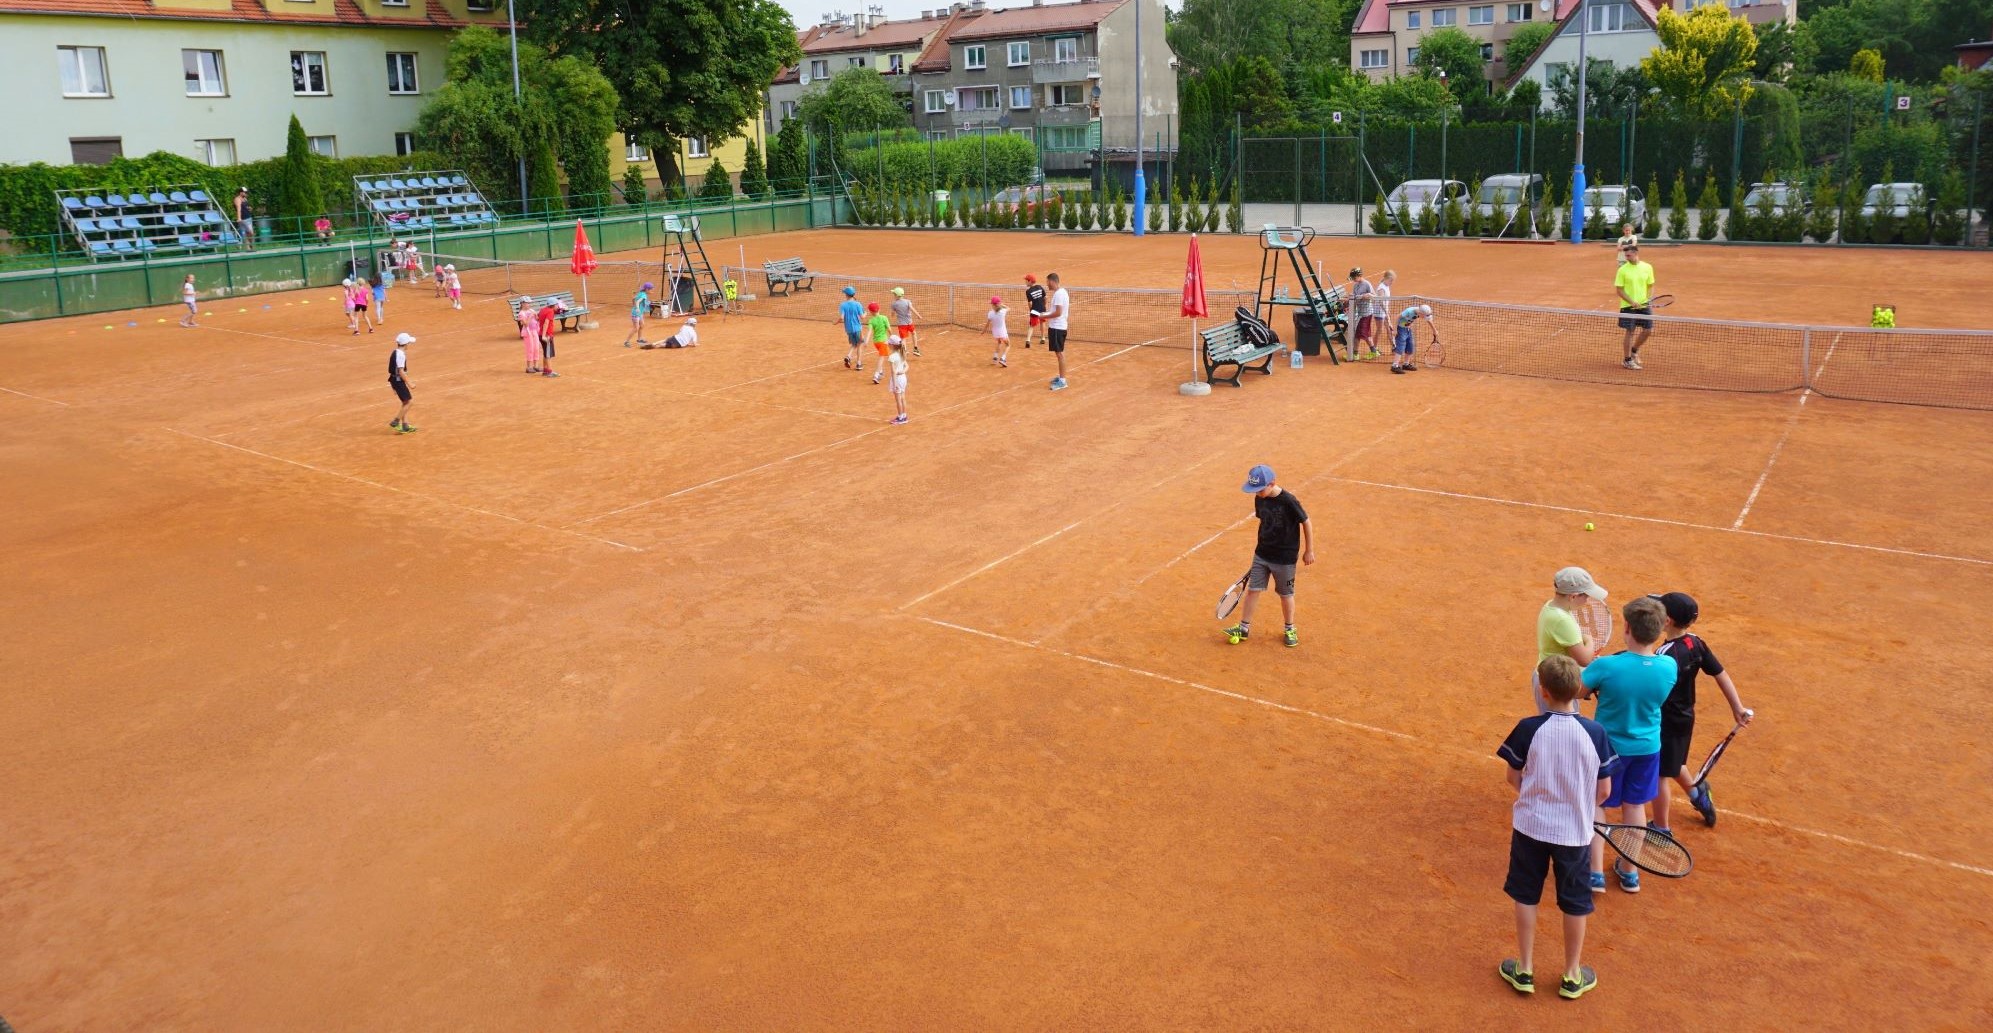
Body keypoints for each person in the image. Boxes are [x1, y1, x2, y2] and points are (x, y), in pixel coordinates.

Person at [1498, 655, 1614, 1001]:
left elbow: (1512, 776)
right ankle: (1572, 974)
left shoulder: (1527, 728)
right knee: (1575, 901)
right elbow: (1604, 792)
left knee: (1525, 892)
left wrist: (1535, 796)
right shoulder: (1595, 733)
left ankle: (1525, 969)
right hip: (1575, 835)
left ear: (1543, 691)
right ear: (1578, 691)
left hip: (1530, 827)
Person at [1581, 596, 1677, 895]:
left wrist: (1595, 675)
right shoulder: (1669, 666)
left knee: (1596, 803)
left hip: (1608, 749)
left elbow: (1579, 689)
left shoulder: (1608, 666)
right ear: (1661, 630)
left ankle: (1594, 873)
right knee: (1634, 806)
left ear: (1626, 628)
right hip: (1647, 748)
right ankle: (1629, 871)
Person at [1648, 592, 1752, 832]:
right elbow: (1720, 674)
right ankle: (1697, 792)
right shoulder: (1696, 643)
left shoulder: (1664, 655)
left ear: (1667, 621)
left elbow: (1652, 687)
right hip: (1685, 718)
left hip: (1664, 720)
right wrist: (1737, 707)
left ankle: (1660, 827)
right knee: (1674, 762)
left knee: (1660, 775)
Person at [1222, 464, 1315, 649]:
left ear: (1272, 483)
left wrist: (1309, 550)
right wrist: (1262, 549)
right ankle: (1243, 628)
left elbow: (1306, 522)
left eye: (1259, 489)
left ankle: (1290, 628)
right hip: (1262, 554)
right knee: (1253, 591)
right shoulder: (1259, 498)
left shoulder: (1289, 501)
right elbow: (1266, 524)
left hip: (1285, 558)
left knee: (1285, 594)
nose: (1256, 493)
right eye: (1254, 490)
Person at [1535, 567, 1606, 712]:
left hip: (1548, 678)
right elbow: (1585, 659)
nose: (1587, 600)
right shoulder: (1562, 620)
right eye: (1585, 595)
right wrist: (1589, 640)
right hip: (1556, 685)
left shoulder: (1552, 606)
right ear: (1573, 596)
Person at [1615, 244, 1657, 370]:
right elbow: (1619, 290)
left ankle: (1634, 350)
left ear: (1636, 253)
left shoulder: (1647, 267)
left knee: (1648, 330)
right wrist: (1631, 301)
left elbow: (1650, 285)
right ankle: (1627, 360)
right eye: (1625, 255)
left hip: (1644, 305)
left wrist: (1649, 299)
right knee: (1630, 332)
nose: (1627, 258)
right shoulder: (1622, 270)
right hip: (1628, 306)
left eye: (1629, 255)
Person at [1039, 272, 1071, 391]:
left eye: (1047, 282)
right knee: (1059, 354)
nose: (1047, 284)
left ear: (1052, 281)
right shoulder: (1061, 293)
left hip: (1058, 328)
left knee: (1059, 354)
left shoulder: (1059, 294)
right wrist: (1045, 314)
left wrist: (1044, 316)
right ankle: (1061, 377)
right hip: (1057, 327)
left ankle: (1063, 381)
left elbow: (1058, 313)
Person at [1390, 302, 1433, 374]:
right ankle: (1395, 366)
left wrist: (1434, 330)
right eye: (1424, 316)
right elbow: (1397, 317)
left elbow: (1429, 320)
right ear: (1421, 313)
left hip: (1408, 329)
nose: (1424, 318)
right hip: (1400, 329)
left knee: (1410, 346)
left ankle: (1406, 364)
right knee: (1400, 347)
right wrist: (1395, 330)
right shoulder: (1409, 311)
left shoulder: (1420, 312)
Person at [1344, 267, 1376, 362]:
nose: (1353, 279)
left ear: (1359, 276)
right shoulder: (1356, 285)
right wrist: (1347, 301)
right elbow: (1354, 298)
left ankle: (1355, 354)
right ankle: (1374, 351)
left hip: (1366, 313)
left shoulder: (1367, 284)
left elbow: (1374, 295)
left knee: (1358, 334)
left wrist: (1367, 296)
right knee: (1366, 334)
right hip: (1360, 313)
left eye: (1354, 277)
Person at [387, 332, 416, 434]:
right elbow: (401, 371)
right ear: (406, 343)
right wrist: (410, 383)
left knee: (405, 403)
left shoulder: (395, 352)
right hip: (398, 381)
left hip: (394, 380)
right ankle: (396, 421)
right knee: (409, 402)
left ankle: (405, 425)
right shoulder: (401, 355)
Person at [890, 286, 923, 358]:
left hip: (902, 324)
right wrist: (918, 315)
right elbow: (912, 309)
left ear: (896, 295)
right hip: (909, 322)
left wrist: (893, 311)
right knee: (913, 333)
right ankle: (915, 348)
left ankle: (904, 352)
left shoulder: (894, 304)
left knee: (903, 339)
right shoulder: (908, 301)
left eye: (894, 294)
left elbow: (892, 315)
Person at [839, 286, 866, 371]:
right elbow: (862, 317)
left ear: (846, 295)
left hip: (849, 329)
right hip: (858, 328)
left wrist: (835, 322)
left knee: (854, 344)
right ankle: (858, 364)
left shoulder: (843, 305)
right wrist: (866, 313)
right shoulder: (858, 304)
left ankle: (848, 356)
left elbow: (842, 318)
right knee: (859, 345)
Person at [885, 335, 910, 425]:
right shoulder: (902, 353)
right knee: (903, 398)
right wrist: (902, 371)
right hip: (903, 378)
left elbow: (893, 371)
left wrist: (895, 383)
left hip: (897, 380)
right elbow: (907, 366)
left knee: (898, 399)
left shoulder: (892, 357)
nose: (888, 344)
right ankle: (904, 415)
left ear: (892, 345)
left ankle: (900, 417)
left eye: (889, 343)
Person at [867, 302, 892, 385]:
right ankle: (876, 375)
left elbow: (869, 332)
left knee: (882, 355)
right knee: (881, 358)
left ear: (870, 311)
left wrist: (866, 341)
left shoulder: (871, 321)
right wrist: (892, 337)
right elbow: (889, 329)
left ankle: (881, 372)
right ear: (879, 309)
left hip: (876, 342)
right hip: (883, 342)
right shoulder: (884, 318)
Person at [624, 282, 655, 348]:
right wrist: (637, 308)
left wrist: (634, 302)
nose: (652, 291)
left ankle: (639, 339)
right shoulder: (643, 295)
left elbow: (633, 300)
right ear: (647, 289)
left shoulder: (640, 293)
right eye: (651, 289)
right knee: (636, 328)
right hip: (636, 314)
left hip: (639, 313)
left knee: (642, 325)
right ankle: (626, 341)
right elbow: (637, 302)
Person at [518, 296, 542, 374]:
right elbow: (525, 324)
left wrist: (536, 316)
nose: (529, 304)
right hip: (528, 333)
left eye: (529, 303)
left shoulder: (531, 310)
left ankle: (536, 366)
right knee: (530, 349)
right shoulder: (521, 313)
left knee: (536, 348)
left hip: (534, 331)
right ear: (522, 304)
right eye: (527, 303)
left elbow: (537, 319)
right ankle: (529, 367)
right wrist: (530, 316)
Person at [1022, 273, 1047, 350]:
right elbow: (1045, 298)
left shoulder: (1028, 291)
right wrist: (1044, 306)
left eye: (1026, 280)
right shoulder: (1040, 287)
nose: (1025, 282)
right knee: (1042, 322)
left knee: (1031, 326)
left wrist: (1031, 310)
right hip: (1042, 309)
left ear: (1030, 281)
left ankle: (1028, 340)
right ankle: (1043, 338)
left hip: (1034, 310)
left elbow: (1030, 303)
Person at [536, 299, 560, 377]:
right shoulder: (550, 311)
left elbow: (538, 318)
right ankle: (549, 372)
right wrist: (544, 335)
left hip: (540, 334)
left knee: (546, 353)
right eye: (557, 304)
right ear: (553, 305)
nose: (558, 306)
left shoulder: (543, 310)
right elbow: (546, 322)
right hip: (546, 335)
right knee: (548, 354)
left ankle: (545, 370)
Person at [986, 295, 1011, 367]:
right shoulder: (1003, 311)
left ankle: (995, 357)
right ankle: (1003, 359)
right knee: (1008, 345)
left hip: (995, 333)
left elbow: (987, 324)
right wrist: (1001, 304)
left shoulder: (990, 313)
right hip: (1003, 333)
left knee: (999, 342)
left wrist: (983, 331)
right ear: (998, 304)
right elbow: (1008, 308)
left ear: (993, 305)